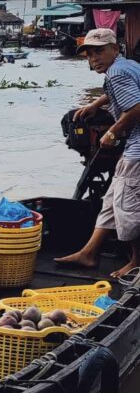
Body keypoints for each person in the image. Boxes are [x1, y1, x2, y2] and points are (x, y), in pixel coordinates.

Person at [56, 29, 140, 279]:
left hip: (137, 149)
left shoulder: (116, 73)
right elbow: (127, 92)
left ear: (115, 48)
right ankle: (89, 252)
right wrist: (96, 104)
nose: (94, 59)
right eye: (89, 54)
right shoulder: (129, 66)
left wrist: (112, 133)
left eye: (100, 51)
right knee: (112, 199)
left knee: (128, 207)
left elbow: (136, 106)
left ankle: (136, 263)